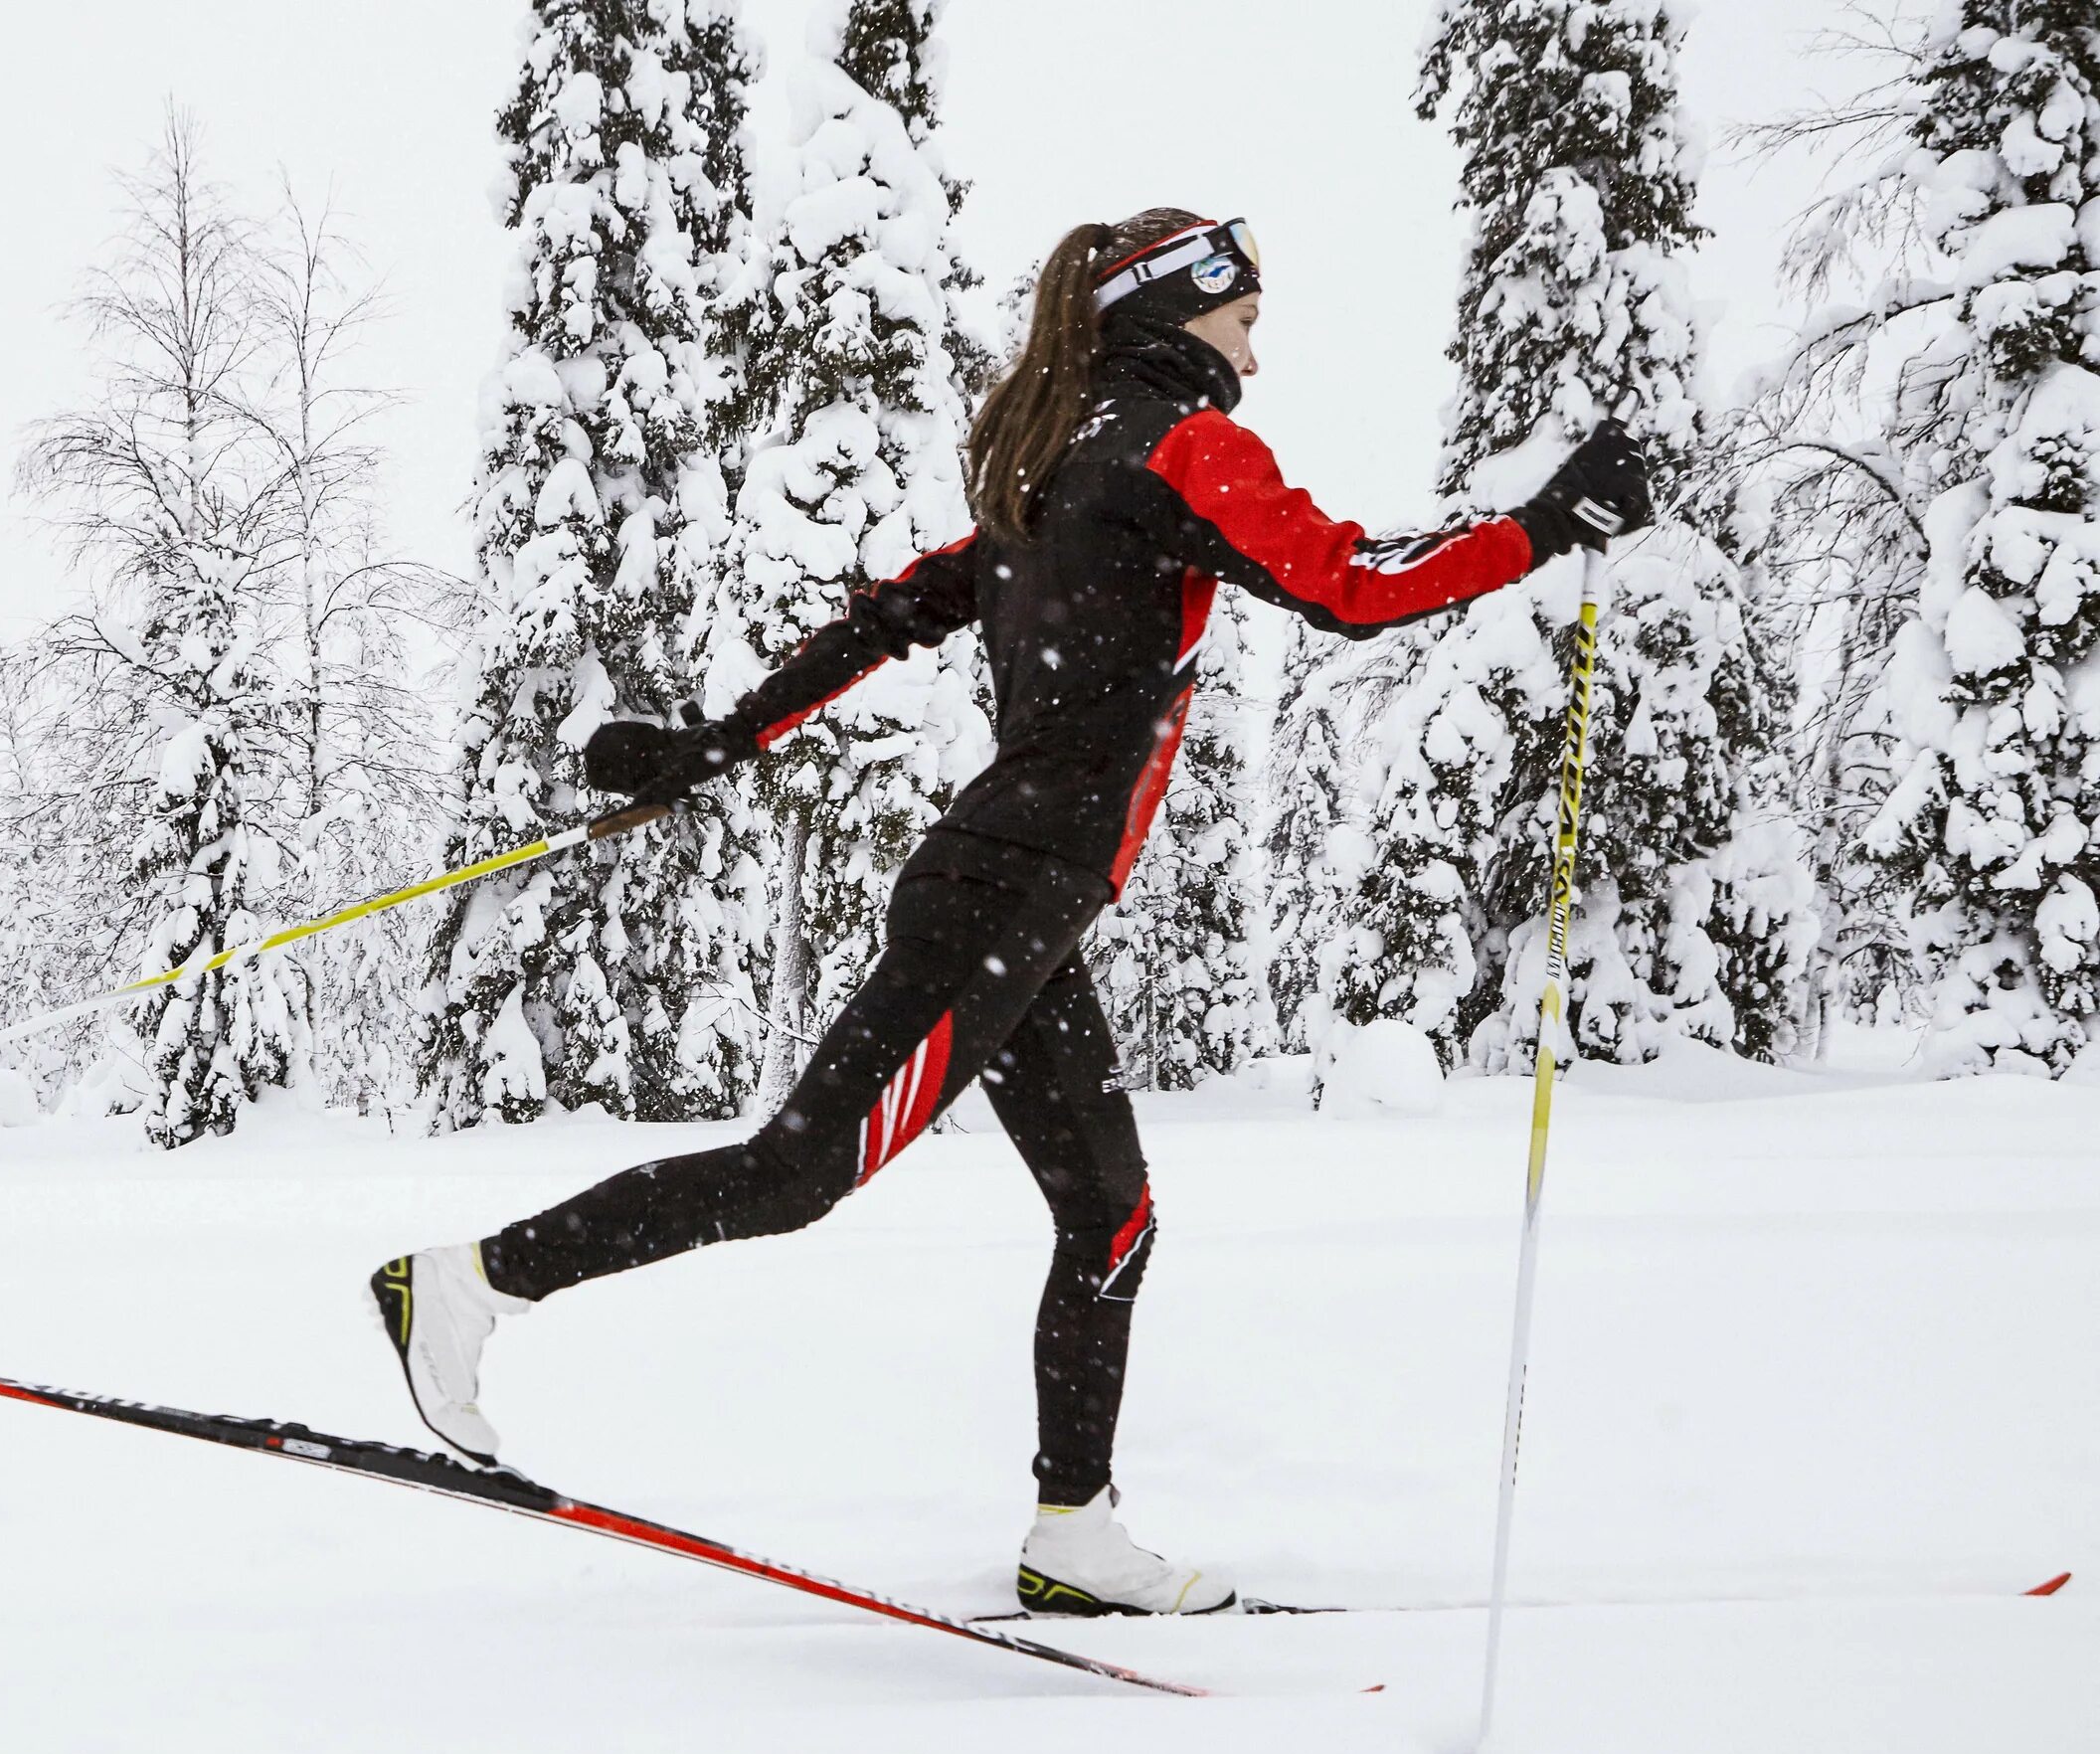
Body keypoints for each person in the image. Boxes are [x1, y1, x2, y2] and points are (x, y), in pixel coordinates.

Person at [366, 210, 1653, 1616]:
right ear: (1174, 307)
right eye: (1244, 314)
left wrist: (711, 745)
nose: (1256, 348)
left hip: (1019, 899)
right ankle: (474, 1283)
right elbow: (1347, 585)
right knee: (797, 1173)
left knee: (1112, 1215)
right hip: (1007, 887)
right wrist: (1538, 529)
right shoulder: (1175, 447)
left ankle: (1075, 1534)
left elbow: (894, 614)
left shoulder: (1060, 463)